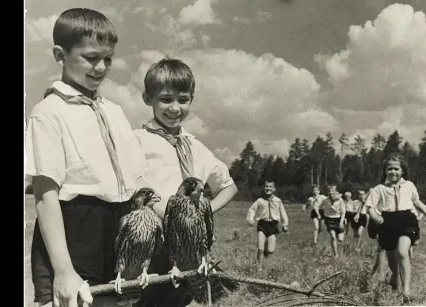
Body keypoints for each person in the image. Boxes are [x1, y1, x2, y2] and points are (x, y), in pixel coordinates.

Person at [25, 8, 150, 307]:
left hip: (118, 232)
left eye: (108, 58)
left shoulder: (115, 111)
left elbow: (138, 182)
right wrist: (64, 270)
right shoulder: (48, 113)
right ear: (60, 55)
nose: (101, 67)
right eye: (91, 58)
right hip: (72, 235)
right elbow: (45, 194)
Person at [133, 58, 238, 307]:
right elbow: (134, 183)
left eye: (183, 100)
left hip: (189, 245)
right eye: (165, 99)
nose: (174, 108)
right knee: (151, 299)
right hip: (153, 241)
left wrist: (204, 212)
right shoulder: (136, 141)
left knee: (184, 297)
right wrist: (169, 216)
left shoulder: (195, 146)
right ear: (148, 98)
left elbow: (228, 186)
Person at [365, 153, 426, 303]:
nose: (393, 172)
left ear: (402, 170)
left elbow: (417, 202)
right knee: (393, 264)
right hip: (387, 223)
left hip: (406, 221)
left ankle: (406, 291)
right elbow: (370, 206)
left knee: (403, 252)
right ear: (385, 171)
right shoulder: (379, 189)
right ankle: (395, 282)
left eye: (396, 168)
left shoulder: (409, 185)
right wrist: (375, 217)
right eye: (389, 168)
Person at [246, 180, 289, 272]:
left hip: (273, 226)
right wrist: (250, 219)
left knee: (270, 250)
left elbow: (283, 213)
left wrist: (285, 224)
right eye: (266, 186)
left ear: (274, 189)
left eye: (270, 187)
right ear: (264, 188)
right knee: (260, 249)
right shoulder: (260, 200)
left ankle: (266, 248)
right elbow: (252, 210)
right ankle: (259, 267)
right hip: (262, 224)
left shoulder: (278, 201)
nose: (268, 188)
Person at [321, 185, 346, 258]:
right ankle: (336, 254)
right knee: (332, 236)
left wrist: (341, 222)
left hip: (339, 219)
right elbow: (318, 205)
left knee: (340, 239)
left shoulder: (340, 200)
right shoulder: (325, 200)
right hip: (329, 219)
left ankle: (342, 231)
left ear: (336, 193)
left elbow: (343, 212)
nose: (331, 193)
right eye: (329, 192)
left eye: (332, 192)